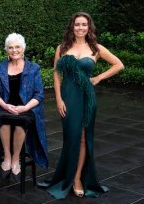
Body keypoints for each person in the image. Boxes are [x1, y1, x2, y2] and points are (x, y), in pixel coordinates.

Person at [40, 12, 124, 199]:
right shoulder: (61, 48)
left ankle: (77, 178)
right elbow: (56, 74)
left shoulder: (96, 48)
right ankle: (66, 175)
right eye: (77, 24)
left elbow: (119, 65)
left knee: (84, 138)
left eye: (84, 24)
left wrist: (98, 78)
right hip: (68, 97)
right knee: (71, 137)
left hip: (87, 98)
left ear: (89, 27)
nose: (80, 28)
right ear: (72, 26)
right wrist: (59, 99)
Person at [0, 33, 49, 182]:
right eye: (11, 47)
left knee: (20, 123)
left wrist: (24, 108)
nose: (14, 50)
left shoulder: (33, 68)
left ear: (23, 48)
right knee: (4, 119)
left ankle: (16, 158)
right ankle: (7, 158)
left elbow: (39, 94)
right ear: (6, 50)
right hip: (5, 106)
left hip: (27, 109)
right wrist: (4, 105)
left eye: (17, 47)